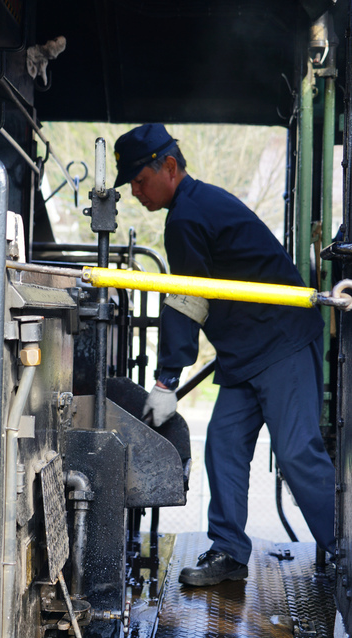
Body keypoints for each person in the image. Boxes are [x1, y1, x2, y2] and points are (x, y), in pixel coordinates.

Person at [113, 123, 336, 587]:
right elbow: (193, 296)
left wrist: (165, 382)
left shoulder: (188, 216)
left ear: (168, 167)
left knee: (297, 454)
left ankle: (343, 553)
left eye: (138, 180)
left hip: (281, 343)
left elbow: (186, 298)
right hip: (246, 353)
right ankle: (230, 553)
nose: (134, 192)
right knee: (223, 446)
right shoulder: (194, 206)